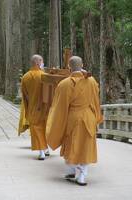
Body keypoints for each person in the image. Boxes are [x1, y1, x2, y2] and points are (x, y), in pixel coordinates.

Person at [46, 56, 103, 186]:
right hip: (88, 117)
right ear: (82, 64)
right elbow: (95, 100)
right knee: (85, 146)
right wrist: (96, 117)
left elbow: (59, 107)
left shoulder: (64, 84)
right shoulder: (92, 81)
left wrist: (56, 122)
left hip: (72, 118)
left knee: (72, 144)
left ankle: (78, 173)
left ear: (69, 66)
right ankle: (78, 173)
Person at [19, 54, 49, 160]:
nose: (42, 63)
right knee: (45, 128)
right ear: (38, 62)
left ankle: (42, 151)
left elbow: (24, 95)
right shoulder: (44, 76)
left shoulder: (25, 77)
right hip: (45, 108)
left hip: (33, 107)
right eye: (42, 61)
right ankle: (46, 149)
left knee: (36, 129)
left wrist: (29, 105)